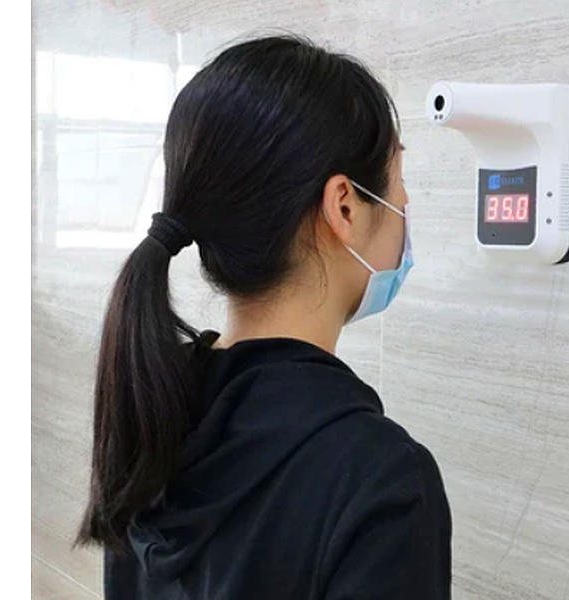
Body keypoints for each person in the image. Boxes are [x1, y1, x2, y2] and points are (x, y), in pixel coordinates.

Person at [75, 33, 452, 599]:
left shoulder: (155, 407)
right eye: (398, 183)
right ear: (344, 206)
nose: (405, 207)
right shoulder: (381, 478)